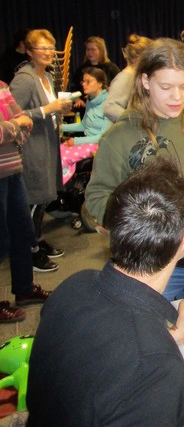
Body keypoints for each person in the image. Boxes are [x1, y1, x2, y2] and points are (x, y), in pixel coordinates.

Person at [27, 157, 184, 426]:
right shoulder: (157, 367)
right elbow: (136, 363)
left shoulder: (73, 285)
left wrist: (170, 336)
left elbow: (97, 357)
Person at [85, 38, 184, 301]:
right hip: (151, 262)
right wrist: (132, 224)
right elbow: (97, 196)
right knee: (159, 335)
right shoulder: (120, 136)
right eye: (165, 87)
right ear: (145, 82)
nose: (177, 97)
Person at [10, 29, 72, 273]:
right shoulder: (24, 78)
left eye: (50, 48)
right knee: (34, 199)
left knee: (43, 197)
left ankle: (35, 240)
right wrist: (48, 109)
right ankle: (29, 251)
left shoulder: (45, 76)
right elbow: (12, 114)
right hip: (32, 146)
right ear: (29, 51)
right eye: (41, 48)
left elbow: (49, 108)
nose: (47, 53)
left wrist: (58, 109)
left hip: (47, 143)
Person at [0, 80, 51, 322]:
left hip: (13, 170)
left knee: (23, 232)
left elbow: (25, 121)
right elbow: (16, 123)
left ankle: (24, 288)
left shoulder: (2, 86)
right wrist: (14, 126)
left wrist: (13, 127)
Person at [60, 67, 112, 184]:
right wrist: (62, 128)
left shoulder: (109, 103)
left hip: (100, 145)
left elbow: (103, 137)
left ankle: (63, 186)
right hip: (88, 141)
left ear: (100, 83)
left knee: (64, 157)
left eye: (88, 81)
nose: (84, 84)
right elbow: (84, 125)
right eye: (83, 81)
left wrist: (76, 141)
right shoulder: (90, 101)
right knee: (58, 150)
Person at [103, 33, 152, 122]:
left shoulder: (137, 76)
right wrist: (136, 122)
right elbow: (110, 108)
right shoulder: (124, 78)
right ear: (141, 58)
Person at [69, 36, 120, 108]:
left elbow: (119, 88)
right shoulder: (81, 69)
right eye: (88, 49)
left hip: (106, 108)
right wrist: (77, 100)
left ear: (101, 50)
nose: (90, 52)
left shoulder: (111, 68)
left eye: (93, 49)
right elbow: (74, 89)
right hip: (86, 108)